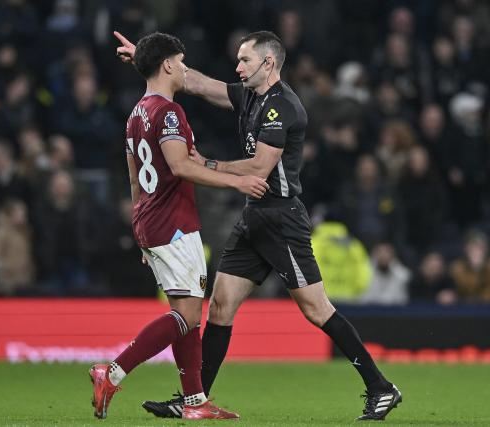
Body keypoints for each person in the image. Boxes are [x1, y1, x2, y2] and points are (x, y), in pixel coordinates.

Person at [115, 30, 402, 421]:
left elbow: (259, 169)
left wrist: (206, 165)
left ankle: (381, 388)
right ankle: (195, 400)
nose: (237, 67)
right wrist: (148, 60)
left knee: (316, 309)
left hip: (282, 218)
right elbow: (198, 84)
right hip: (255, 216)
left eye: (244, 60)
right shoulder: (251, 95)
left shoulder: (281, 106)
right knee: (219, 307)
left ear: (268, 63)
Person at [89, 32, 269, 420]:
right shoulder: (169, 113)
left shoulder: (137, 112)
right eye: (181, 61)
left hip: (151, 220)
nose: (185, 69)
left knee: (186, 315)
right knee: (187, 318)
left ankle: (195, 402)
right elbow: (181, 166)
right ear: (168, 65)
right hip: (173, 223)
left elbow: (135, 177)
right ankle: (113, 371)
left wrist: (140, 228)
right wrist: (239, 181)